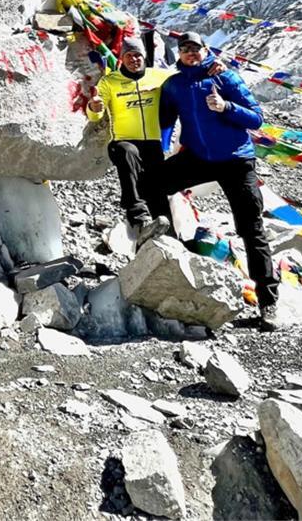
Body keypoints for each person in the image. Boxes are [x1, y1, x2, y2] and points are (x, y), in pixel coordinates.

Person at [159, 31, 280, 331]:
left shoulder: (226, 78)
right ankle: (167, 255)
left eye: (195, 48)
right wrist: (161, 149)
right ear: (179, 53)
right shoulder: (174, 85)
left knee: (251, 229)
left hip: (236, 160)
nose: (190, 53)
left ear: (205, 50)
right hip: (198, 157)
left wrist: (226, 107)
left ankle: (268, 302)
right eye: (185, 49)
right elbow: (165, 121)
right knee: (153, 184)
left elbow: (256, 118)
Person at [86, 35, 174, 247]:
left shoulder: (159, 77)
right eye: (129, 56)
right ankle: (139, 219)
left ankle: (168, 240)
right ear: (122, 58)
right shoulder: (110, 81)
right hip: (123, 142)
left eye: (138, 55)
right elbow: (95, 115)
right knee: (128, 153)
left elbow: (186, 77)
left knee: (156, 191)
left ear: (144, 57)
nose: (134, 59)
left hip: (153, 143)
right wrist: (94, 107)